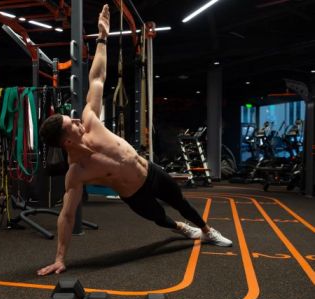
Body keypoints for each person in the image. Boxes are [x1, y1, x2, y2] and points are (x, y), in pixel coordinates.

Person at [37, 4, 232, 276]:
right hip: (134, 194)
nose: (78, 120)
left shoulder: (91, 120)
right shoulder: (77, 172)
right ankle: (180, 228)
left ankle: (208, 231)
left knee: (181, 202)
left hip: (149, 170)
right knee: (161, 219)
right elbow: (67, 215)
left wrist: (103, 37)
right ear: (67, 141)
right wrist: (60, 258)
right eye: (73, 125)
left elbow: (97, 78)